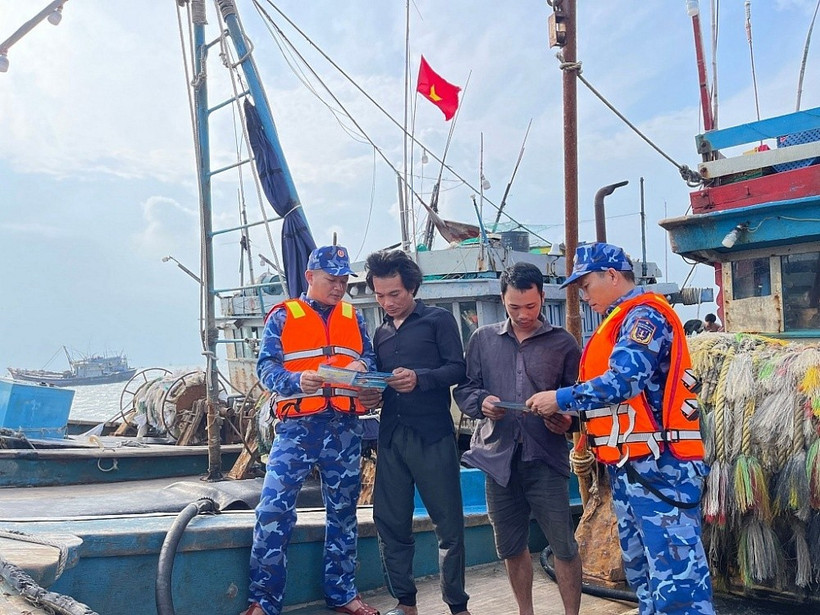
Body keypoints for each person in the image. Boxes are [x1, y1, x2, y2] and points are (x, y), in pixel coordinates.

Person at [526, 243, 714, 615]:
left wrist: (560, 398)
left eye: (585, 285)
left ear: (611, 276)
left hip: (662, 468)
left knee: (677, 581)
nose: (583, 296)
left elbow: (626, 381)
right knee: (644, 574)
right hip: (634, 468)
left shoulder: (645, 316)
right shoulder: (619, 320)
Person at [244, 245, 381, 615]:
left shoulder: (354, 317)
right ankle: (264, 601)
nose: (338, 288)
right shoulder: (283, 317)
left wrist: (365, 373)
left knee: (344, 512)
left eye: (343, 281)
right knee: (273, 509)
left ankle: (343, 594)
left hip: (345, 428)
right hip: (297, 429)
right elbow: (266, 369)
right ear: (309, 277)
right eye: (331, 280)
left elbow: (368, 358)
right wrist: (294, 381)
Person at [453, 262, 583, 615]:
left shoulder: (564, 343)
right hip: (497, 459)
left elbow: (579, 399)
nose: (523, 314)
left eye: (531, 306)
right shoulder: (482, 340)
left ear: (542, 297)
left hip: (546, 457)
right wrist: (482, 403)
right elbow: (465, 390)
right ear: (502, 300)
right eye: (514, 307)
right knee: (510, 546)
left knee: (565, 546)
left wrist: (567, 421)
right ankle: (525, 612)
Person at [364, 249, 470, 615]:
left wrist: (420, 379)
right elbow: (379, 384)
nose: (387, 302)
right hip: (391, 436)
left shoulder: (438, 321)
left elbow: (458, 369)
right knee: (390, 521)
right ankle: (405, 602)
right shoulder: (378, 333)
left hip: (433, 434)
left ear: (412, 288)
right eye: (379, 295)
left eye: (394, 294)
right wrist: (369, 392)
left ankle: (457, 604)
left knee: (449, 525)